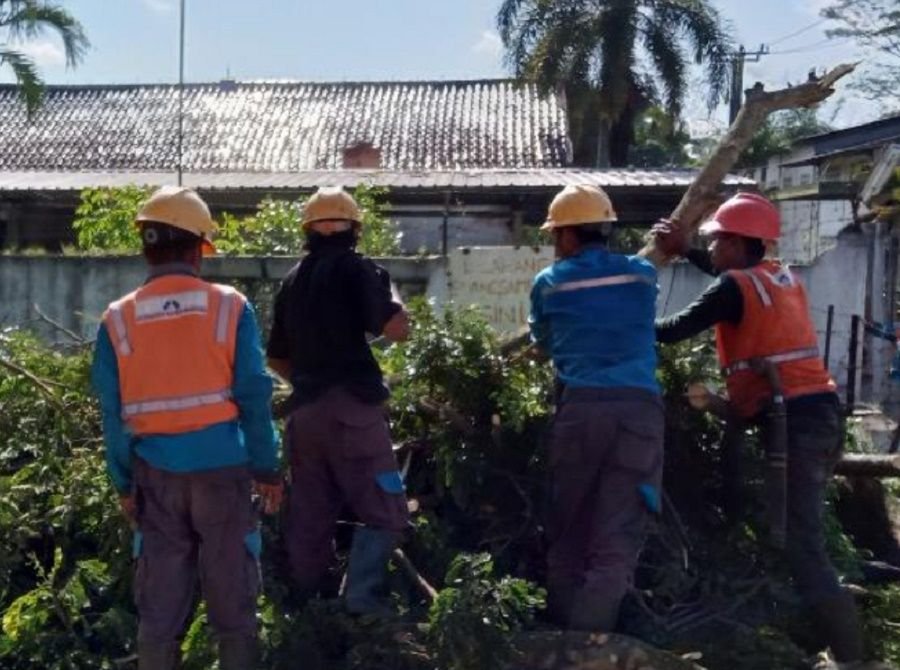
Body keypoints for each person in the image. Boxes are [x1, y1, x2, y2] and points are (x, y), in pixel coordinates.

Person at [654, 192, 877, 669]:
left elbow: (671, 329)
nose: (711, 250)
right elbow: (727, 285)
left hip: (792, 422)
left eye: (716, 242)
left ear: (738, 243)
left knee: (803, 543)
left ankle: (854, 660)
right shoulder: (782, 278)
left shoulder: (736, 286)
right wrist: (686, 249)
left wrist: (618, 305)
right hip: (816, 415)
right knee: (777, 522)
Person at [92, 186, 282, 670]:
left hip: (155, 476)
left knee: (159, 611)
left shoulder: (117, 319)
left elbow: (112, 415)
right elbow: (255, 396)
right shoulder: (229, 306)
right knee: (233, 608)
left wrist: (123, 483)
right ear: (198, 247)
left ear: (147, 247)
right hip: (225, 471)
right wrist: (267, 468)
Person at [266, 186, 411, 615]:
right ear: (355, 229)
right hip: (354, 412)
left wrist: (314, 384)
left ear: (308, 230)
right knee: (386, 511)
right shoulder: (357, 269)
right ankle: (362, 602)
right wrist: (394, 294)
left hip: (305, 417)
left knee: (308, 519)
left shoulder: (291, 281)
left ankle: (309, 609)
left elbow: (276, 356)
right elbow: (396, 329)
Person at [528, 184, 664, 631]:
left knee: (568, 530)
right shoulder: (642, 276)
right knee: (616, 535)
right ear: (605, 227)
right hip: (638, 414)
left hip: (581, 412)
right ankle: (592, 641)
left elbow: (544, 344)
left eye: (555, 236)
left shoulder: (548, 284)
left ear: (566, 235)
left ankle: (563, 640)